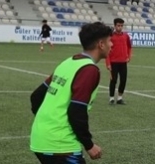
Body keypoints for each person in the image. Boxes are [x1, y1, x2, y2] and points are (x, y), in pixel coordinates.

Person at [29, 22, 113, 164]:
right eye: (110, 41)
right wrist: (89, 145)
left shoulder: (67, 62)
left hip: (40, 138)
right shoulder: (89, 70)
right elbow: (76, 111)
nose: (112, 44)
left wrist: (48, 125)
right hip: (60, 145)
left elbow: (36, 97)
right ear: (101, 44)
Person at [106, 18, 132, 105]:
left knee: (123, 80)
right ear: (115, 26)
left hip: (123, 62)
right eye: (118, 25)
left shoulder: (126, 36)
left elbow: (129, 47)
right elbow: (107, 51)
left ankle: (120, 98)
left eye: (121, 25)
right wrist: (108, 63)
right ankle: (111, 98)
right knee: (113, 80)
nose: (120, 27)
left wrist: (128, 57)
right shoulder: (111, 37)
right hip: (113, 62)